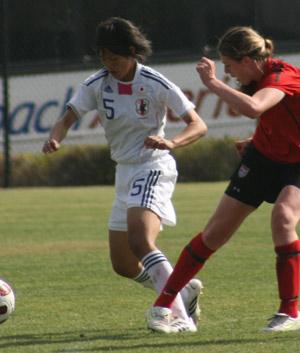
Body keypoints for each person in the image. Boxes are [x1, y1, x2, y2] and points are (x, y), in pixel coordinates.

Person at [42, 17, 207, 332]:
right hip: (124, 172)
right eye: (104, 57)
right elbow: (68, 116)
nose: (109, 64)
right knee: (123, 264)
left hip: (153, 165)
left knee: (140, 239)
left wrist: (171, 141)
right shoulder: (96, 84)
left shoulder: (155, 83)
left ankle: (178, 317)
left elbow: (198, 124)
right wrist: (55, 138)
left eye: (114, 58)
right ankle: (181, 292)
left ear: (133, 52)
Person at [146, 26, 300, 333]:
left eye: (229, 66)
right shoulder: (257, 79)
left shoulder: (282, 76)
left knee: (283, 217)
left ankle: (290, 312)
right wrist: (256, 139)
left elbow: (255, 107)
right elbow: (278, 118)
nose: (229, 74)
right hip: (264, 158)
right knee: (215, 232)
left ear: (247, 60)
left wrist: (212, 82)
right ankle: (163, 305)